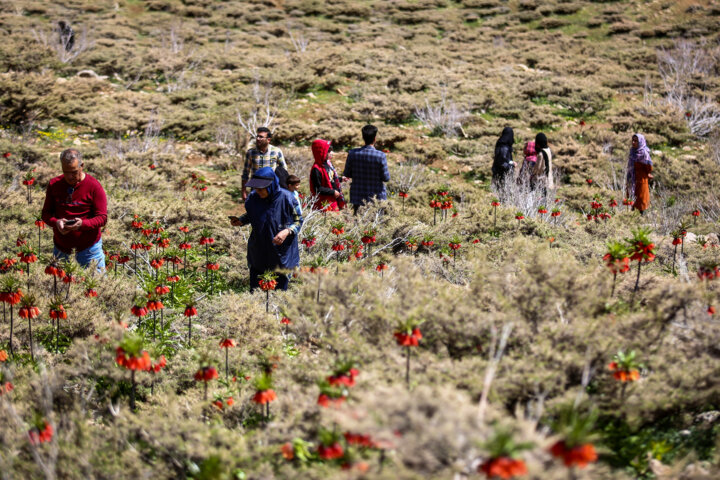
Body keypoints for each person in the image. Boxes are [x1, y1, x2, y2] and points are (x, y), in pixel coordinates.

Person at [230, 167, 302, 291]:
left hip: (280, 254)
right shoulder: (254, 198)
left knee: (278, 293)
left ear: (271, 185)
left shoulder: (288, 198)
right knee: (256, 291)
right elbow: (251, 214)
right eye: (256, 188)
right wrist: (241, 220)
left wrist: (287, 231)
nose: (258, 191)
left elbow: (298, 221)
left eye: (261, 189)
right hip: (259, 251)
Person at [41, 148, 107, 270]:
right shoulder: (54, 184)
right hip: (61, 250)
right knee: (61, 288)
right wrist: (56, 222)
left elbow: (102, 218)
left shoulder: (94, 186)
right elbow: (46, 214)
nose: (70, 176)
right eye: (66, 172)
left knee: (97, 287)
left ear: (82, 166)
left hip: (90, 251)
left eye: (74, 172)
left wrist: (82, 224)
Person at [343, 125, 390, 215]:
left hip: (358, 196)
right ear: (375, 138)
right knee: (376, 226)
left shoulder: (352, 154)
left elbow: (347, 173)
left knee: (358, 224)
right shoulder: (380, 156)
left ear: (363, 137)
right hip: (376, 198)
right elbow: (386, 178)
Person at [241, 127, 287, 201]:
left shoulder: (276, 151)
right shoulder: (251, 153)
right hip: (255, 188)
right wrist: (243, 191)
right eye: (257, 136)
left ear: (268, 140)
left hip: (272, 188)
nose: (258, 139)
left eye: (261, 137)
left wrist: (284, 187)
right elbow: (245, 173)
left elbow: (284, 170)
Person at [309, 138, 345, 211]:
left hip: (332, 200)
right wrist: (333, 192)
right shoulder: (317, 169)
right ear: (321, 152)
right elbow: (318, 188)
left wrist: (340, 179)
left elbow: (330, 179)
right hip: (324, 202)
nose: (332, 153)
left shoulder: (327, 164)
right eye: (328, 151)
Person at [626, 133, 653, 214]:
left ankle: (642, 216)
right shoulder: (632, 151)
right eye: (633, 140)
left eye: (636, 141)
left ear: (640, 142)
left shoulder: (644, 153)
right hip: (631, 177)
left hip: (641, 178)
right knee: (631, 197)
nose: (633, 142)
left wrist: (646, 173)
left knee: (642, 198)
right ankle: (631, 215)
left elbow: (649, 166)